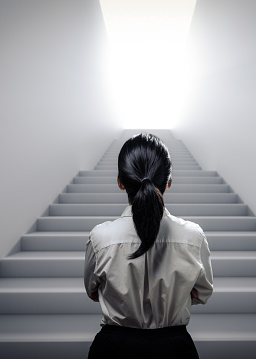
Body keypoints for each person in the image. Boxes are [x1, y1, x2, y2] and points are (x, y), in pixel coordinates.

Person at [84, 133, 213, 359]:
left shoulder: (100, 238)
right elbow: (202, 292)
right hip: (175, 350)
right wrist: (176, 292)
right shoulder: (193, 237)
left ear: (120, 182)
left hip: (113, 350)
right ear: (169, 182)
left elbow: (93, 291)